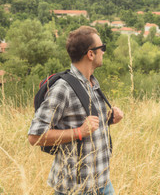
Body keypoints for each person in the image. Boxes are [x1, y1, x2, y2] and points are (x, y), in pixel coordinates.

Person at [28, 26, 124, 194]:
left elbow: (86, 123)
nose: (104, 52)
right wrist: (79, 132)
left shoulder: (92, 83)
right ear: (91, 54)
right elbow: (35, 136)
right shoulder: (63, 88)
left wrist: (108, 120)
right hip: (76, 188)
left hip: (103, 182)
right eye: (102, 48)